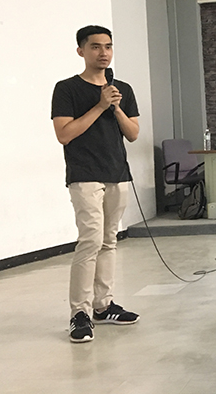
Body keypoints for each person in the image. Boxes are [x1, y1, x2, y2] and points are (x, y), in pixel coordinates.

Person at [52, 25, 141, 343]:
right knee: (90, 241)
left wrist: (115, 107)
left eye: (108, 46)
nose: (103, 52)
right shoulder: (67, 89)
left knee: (108, 241)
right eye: (95, 47)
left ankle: (103, 306)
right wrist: (100, 106)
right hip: (84, 174)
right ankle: (80, 313)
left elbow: (133, 133)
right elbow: (64, 134)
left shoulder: (122, 89)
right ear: (81, 51)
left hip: (117, 172)